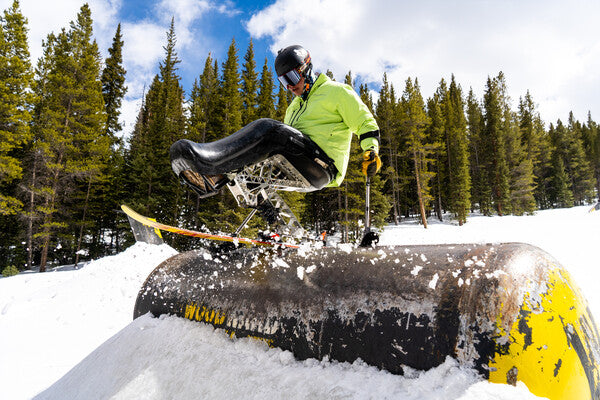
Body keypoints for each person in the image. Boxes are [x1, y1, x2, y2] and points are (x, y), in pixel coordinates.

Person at [170, 44, 382, 198]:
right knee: (251, 178)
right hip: (298, 163)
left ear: (306, 69)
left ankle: (208, 163)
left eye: (290, 78)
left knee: (269, 130)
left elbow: (365, 123)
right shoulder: (293, 108)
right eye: (283, 82)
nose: (289, 87)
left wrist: (370, 151)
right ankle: (218, 181)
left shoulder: (336, 92)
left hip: (323, 166)